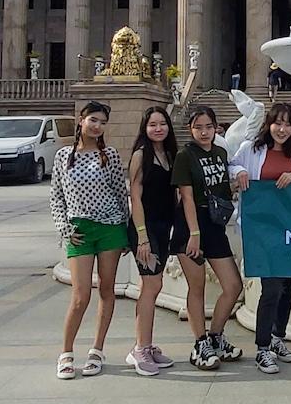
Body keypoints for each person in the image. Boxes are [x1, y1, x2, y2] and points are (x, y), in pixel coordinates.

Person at [49, 101, 130, 379]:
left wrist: (128, 233)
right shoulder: (62, 156)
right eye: (93, 120)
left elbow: (121, 194)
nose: (97, 126)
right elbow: (56, 197)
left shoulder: (109, 154)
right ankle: (66, 352)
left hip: (110, 228)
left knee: (107, 290)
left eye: (103, 122)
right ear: (81, 120)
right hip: (79, 230)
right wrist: (64, 228)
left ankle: (97, 350)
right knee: (80, 295)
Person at [230, 103, 291, 374]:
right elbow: (233, 164)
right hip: (262, 229)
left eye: (288, 124)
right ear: (269, 124)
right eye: (278, 123)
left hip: (289, 229)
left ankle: (278, 337)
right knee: (272, 287)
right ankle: (262, 347)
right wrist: (239, 172)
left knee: (287, 285)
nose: (283, 129)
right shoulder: (252, 149)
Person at [172, 105, 244, 370]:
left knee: (233, 285)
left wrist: (239, 180)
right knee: (197, 287)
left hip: (214, 226)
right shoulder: (185, 156)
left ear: (217, 128)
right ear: (190, 129)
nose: (204, 132)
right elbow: (187, 197)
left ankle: (216, 336)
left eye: (208, 127)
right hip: (191, 225)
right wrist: (194, 234)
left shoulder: (220, 153)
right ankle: (199, 343)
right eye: (198, 127)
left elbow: (223, 188)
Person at [125, 106, 179, 376]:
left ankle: (145, 343)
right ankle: (140, 349)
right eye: (152, 124)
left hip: (163, 227)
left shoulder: (169, 154)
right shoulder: (140, 155)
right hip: (145, 231)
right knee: (151, 285)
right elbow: (135, 197)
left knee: (154, 287)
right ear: (145, 128)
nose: (158, 129)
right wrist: (142, 238)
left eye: (162, 124)